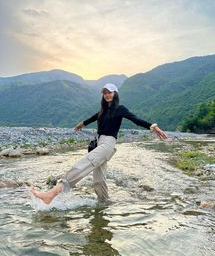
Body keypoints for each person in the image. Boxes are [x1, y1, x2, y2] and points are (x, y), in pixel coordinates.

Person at [31, 83, 168, 204]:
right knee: (99, 179)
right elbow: (94, 117)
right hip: (99, 142)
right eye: (105, 93)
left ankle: (53, 193)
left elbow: (136, 120)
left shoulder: (120, 109)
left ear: (115, 94)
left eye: (110, 92)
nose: (107, 95)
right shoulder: (103, 110)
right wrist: (82, 123)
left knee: (85, 162)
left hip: (108, 144)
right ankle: (104, 202)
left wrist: (153, 127)